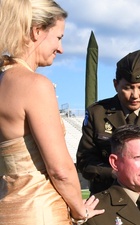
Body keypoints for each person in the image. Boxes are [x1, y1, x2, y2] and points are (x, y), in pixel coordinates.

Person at [0, 0, 104, 224]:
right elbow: (60, 170)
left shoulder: (3, 81)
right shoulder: (35, 85)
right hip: (40, 212)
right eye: (59, 38)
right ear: (37, 31)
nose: (61, 49)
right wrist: (79, 211)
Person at [77, 49, 140, 195]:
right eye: (128, 88)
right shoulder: (97, 113)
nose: (135, 95)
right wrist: (116, 173)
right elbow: (85, 161)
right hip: (109, 196)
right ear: (115, 85)